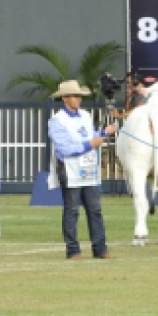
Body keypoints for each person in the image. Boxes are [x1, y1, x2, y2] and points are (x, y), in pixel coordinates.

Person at [47, 79, 117, 259]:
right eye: (75, 96)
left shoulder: (86, 116)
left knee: (95, 209)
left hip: (87, 170)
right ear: (65, 99)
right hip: (70, 169)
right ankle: (73, 249)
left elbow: (92, 136)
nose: (79, 99)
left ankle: (100, 248)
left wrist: (103, 134)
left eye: (79, 96)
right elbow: (64, 149)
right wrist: (91, 144)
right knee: (72, 210)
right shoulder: (57, 121)